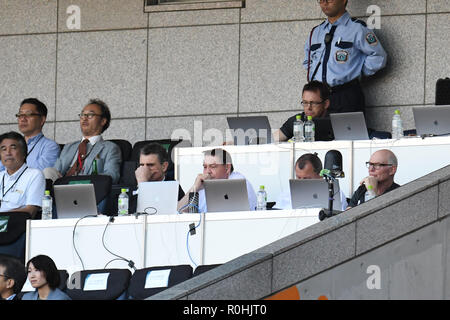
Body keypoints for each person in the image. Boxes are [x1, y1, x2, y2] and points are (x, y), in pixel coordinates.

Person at [304, 0, 387, 114]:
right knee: (317, 131)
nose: (324, 3)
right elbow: (307, 62)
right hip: (318, 99)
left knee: (348, 131)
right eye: (321, 0)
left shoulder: (357, 28)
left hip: (346, 95)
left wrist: (357, 71)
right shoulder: (316, 32)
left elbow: (378, 56)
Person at [44, 99, 122, 184]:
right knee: (48, 171)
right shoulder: (69, 147)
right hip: (62, 187)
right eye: (82, 115)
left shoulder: (110, 148)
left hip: (88, 189)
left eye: (90, 115)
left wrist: (84, 181)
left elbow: (112, 176)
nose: (84, 118)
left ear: (103, 121)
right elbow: (56, 171)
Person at [178, 148, 257, 212]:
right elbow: (179, 211)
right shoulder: (202, 185)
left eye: (213, 166)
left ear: (227, 168)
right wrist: (194, 188)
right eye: (205, 167)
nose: (208, 171)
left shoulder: (237, 181)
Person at [275, 153, 347, 210]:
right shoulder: (286, 194)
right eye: (298, 177)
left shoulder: (336, 193)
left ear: (320, 175)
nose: (301, 182)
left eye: (306, 179)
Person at [0, 132, 45, 218]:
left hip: (16, 227)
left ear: (24, 153)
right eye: (3, 149)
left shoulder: (34, 175)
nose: (8, 153)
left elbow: (30, 211)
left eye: (13, 148)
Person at [130, 142, 185, 213]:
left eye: (150, 165)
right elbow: (131, 213)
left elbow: (157, 211)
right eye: (142, 165)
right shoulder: (134, 184)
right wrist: (141, 185)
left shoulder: (173, 186)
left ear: (164, 166)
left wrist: (143, 185)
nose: (145, 169)